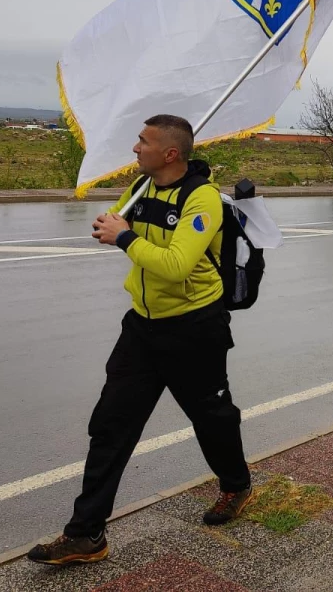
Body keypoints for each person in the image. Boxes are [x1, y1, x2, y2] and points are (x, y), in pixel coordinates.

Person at [27, 115, 252, 567]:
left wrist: (123, 237)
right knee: (110, 427)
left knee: (213, 419)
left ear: (170, 153)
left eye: (143, 142)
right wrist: (113, 227)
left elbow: (175, 264)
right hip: (142, 328)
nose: (135, 148)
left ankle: (235, 485)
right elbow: (121, 231)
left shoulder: (202, 199)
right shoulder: (144, 189)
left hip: (194, 330)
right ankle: (85, 535)